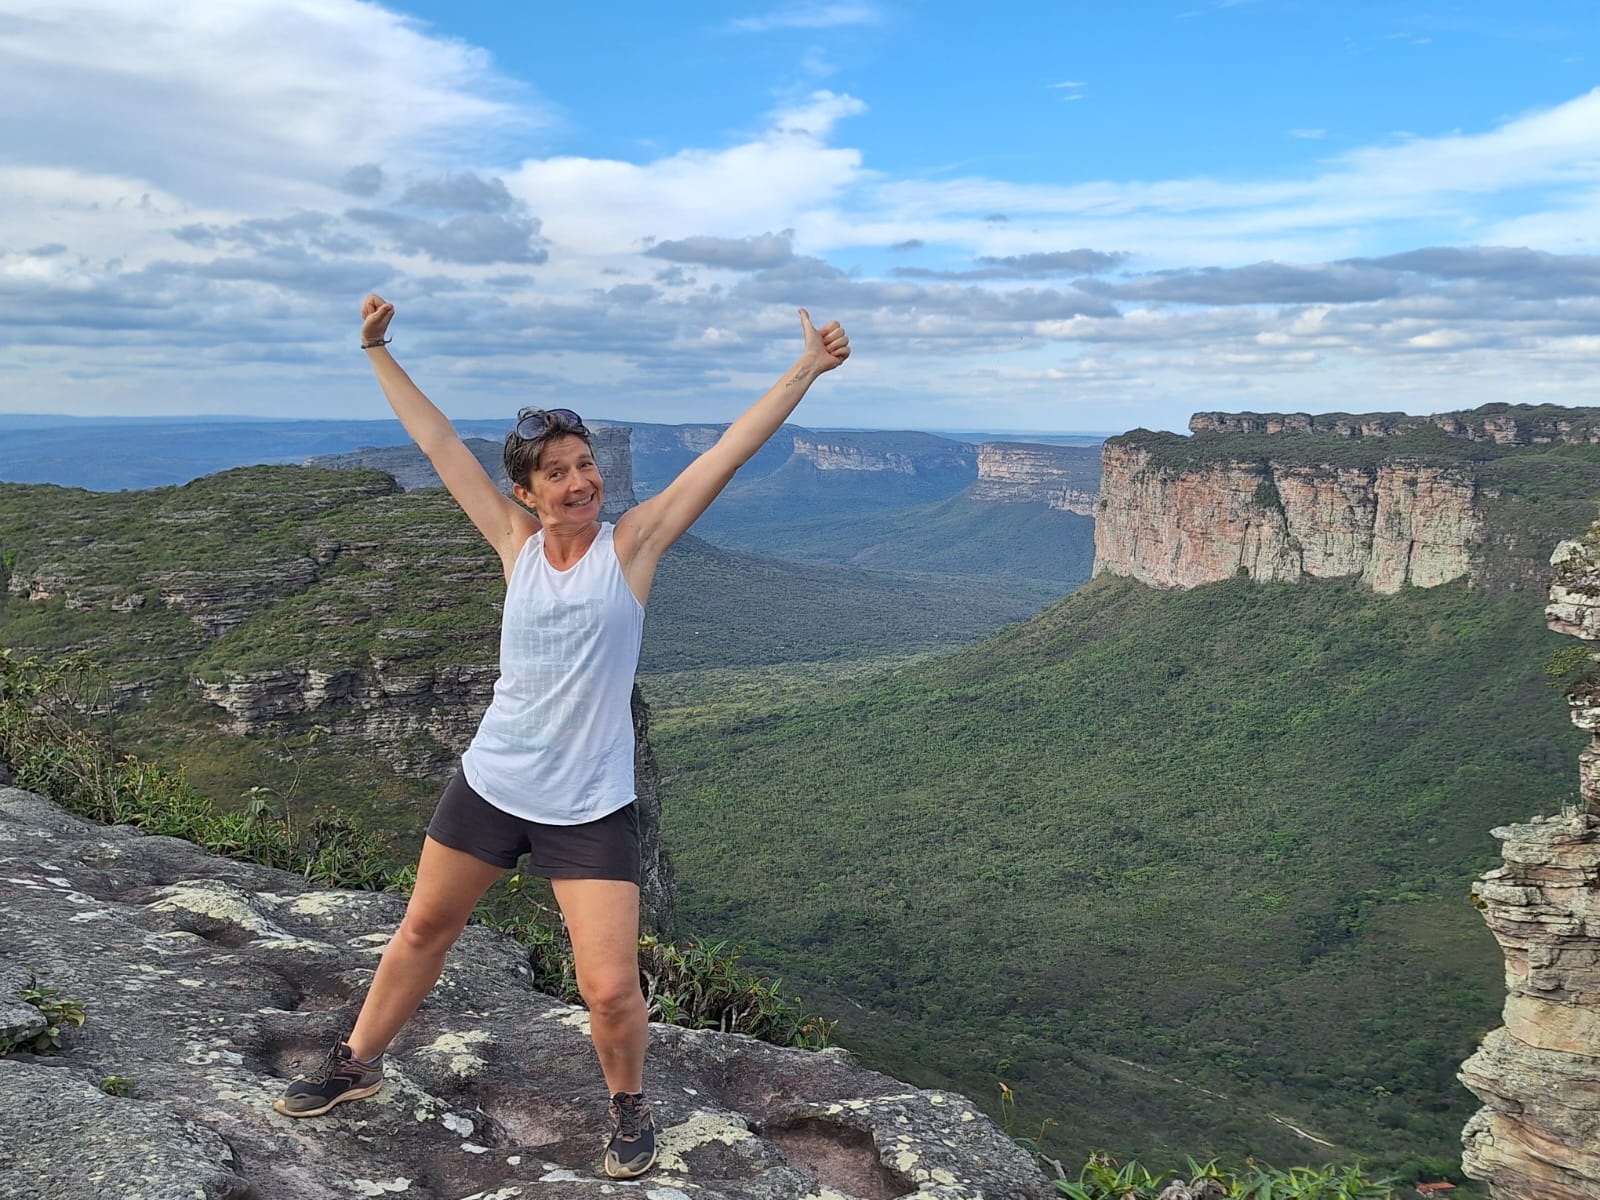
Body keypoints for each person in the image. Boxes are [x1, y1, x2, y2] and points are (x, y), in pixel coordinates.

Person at [273, 293, 850, 1180]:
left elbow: (730, 451)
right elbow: (438, 445)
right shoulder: (515, 543)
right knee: (424, 928)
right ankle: (355, 1064)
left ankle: (627, 1108)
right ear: (526, 492)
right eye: (559, 472)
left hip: (586, 807)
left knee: (611, 987)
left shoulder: (635, 547)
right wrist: (377, 350)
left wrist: (805, 369)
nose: (581, 481)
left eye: (587, 465)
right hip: (492, 783)